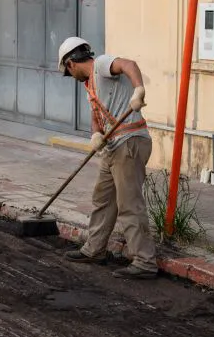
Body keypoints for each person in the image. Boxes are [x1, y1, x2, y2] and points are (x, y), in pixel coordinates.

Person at [57, 36, 159, 279]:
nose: (72, 77)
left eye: (69, 72)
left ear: (71, 63)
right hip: (112, 147)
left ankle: (144, 261)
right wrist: (96, 135)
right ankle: (94, 249)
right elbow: (96, 116)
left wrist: (139, 90)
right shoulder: (90, 85)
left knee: (129, 204)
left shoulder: (101, 65)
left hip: (129, 144)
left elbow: (129, 65)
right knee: (102, 199)